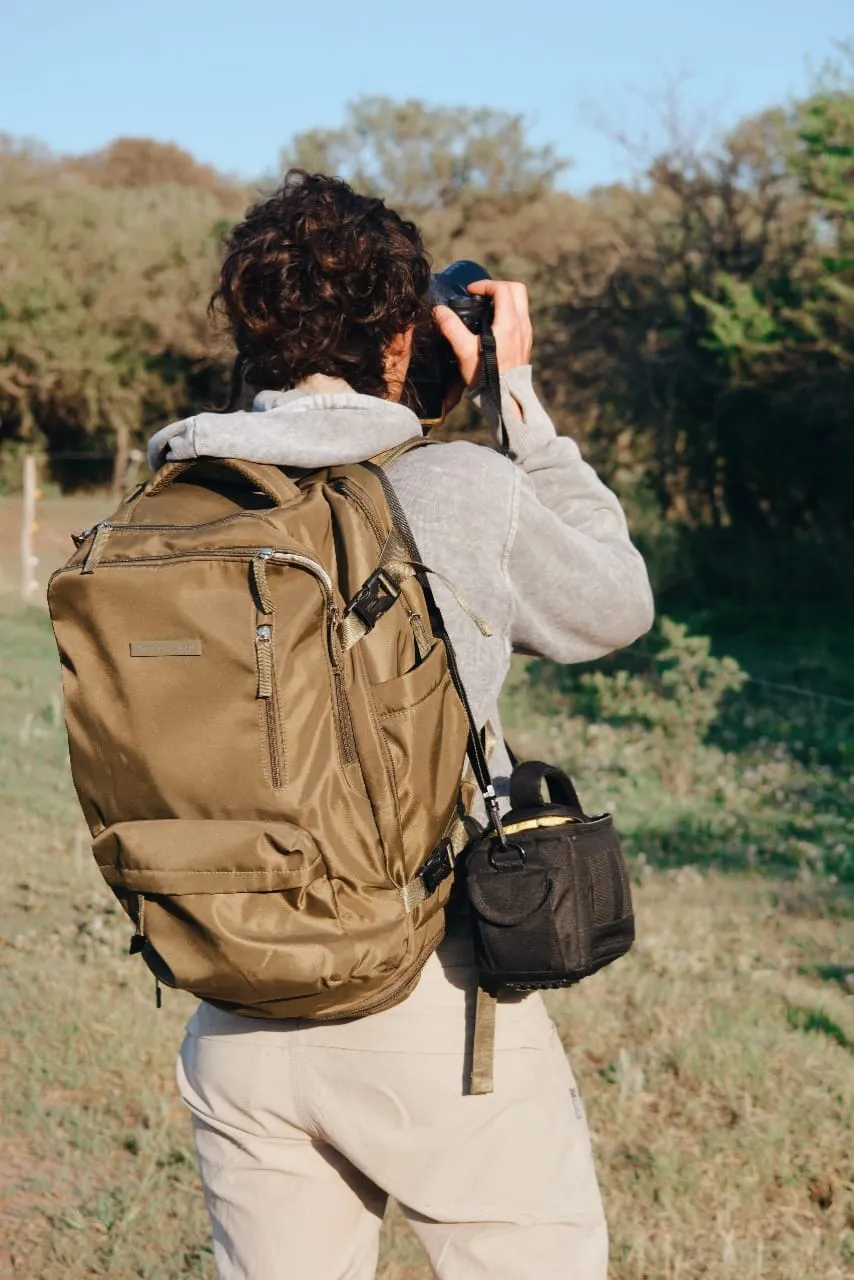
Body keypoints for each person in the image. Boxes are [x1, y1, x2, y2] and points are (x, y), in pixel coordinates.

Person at [150, 170, 654, 1280]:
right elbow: (617, 602)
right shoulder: (454, 486)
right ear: (397, 333)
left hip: (231, 998)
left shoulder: (169, 500)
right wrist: (513, 393)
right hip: (424, 993)